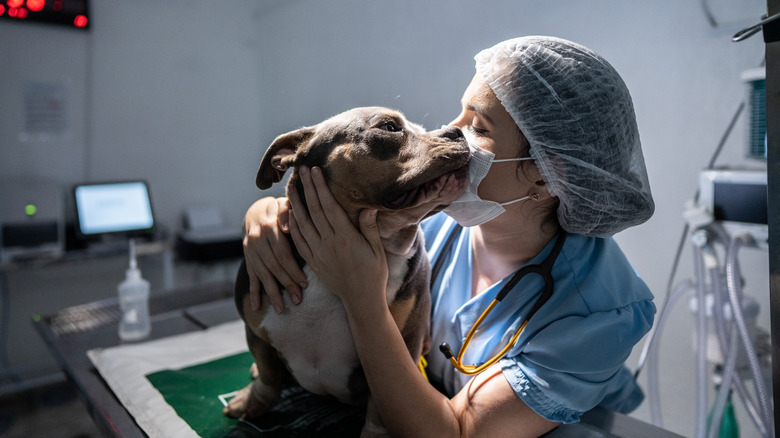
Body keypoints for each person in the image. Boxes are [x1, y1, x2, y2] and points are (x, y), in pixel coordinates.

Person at [242, 36, 656, 437]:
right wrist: (268, 216)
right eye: (460, 114)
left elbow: (457, 432)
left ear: (548, 177)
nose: (450, 133)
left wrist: (362, 298)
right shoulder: (434, 222)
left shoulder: (599, 316)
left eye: (478, 127)